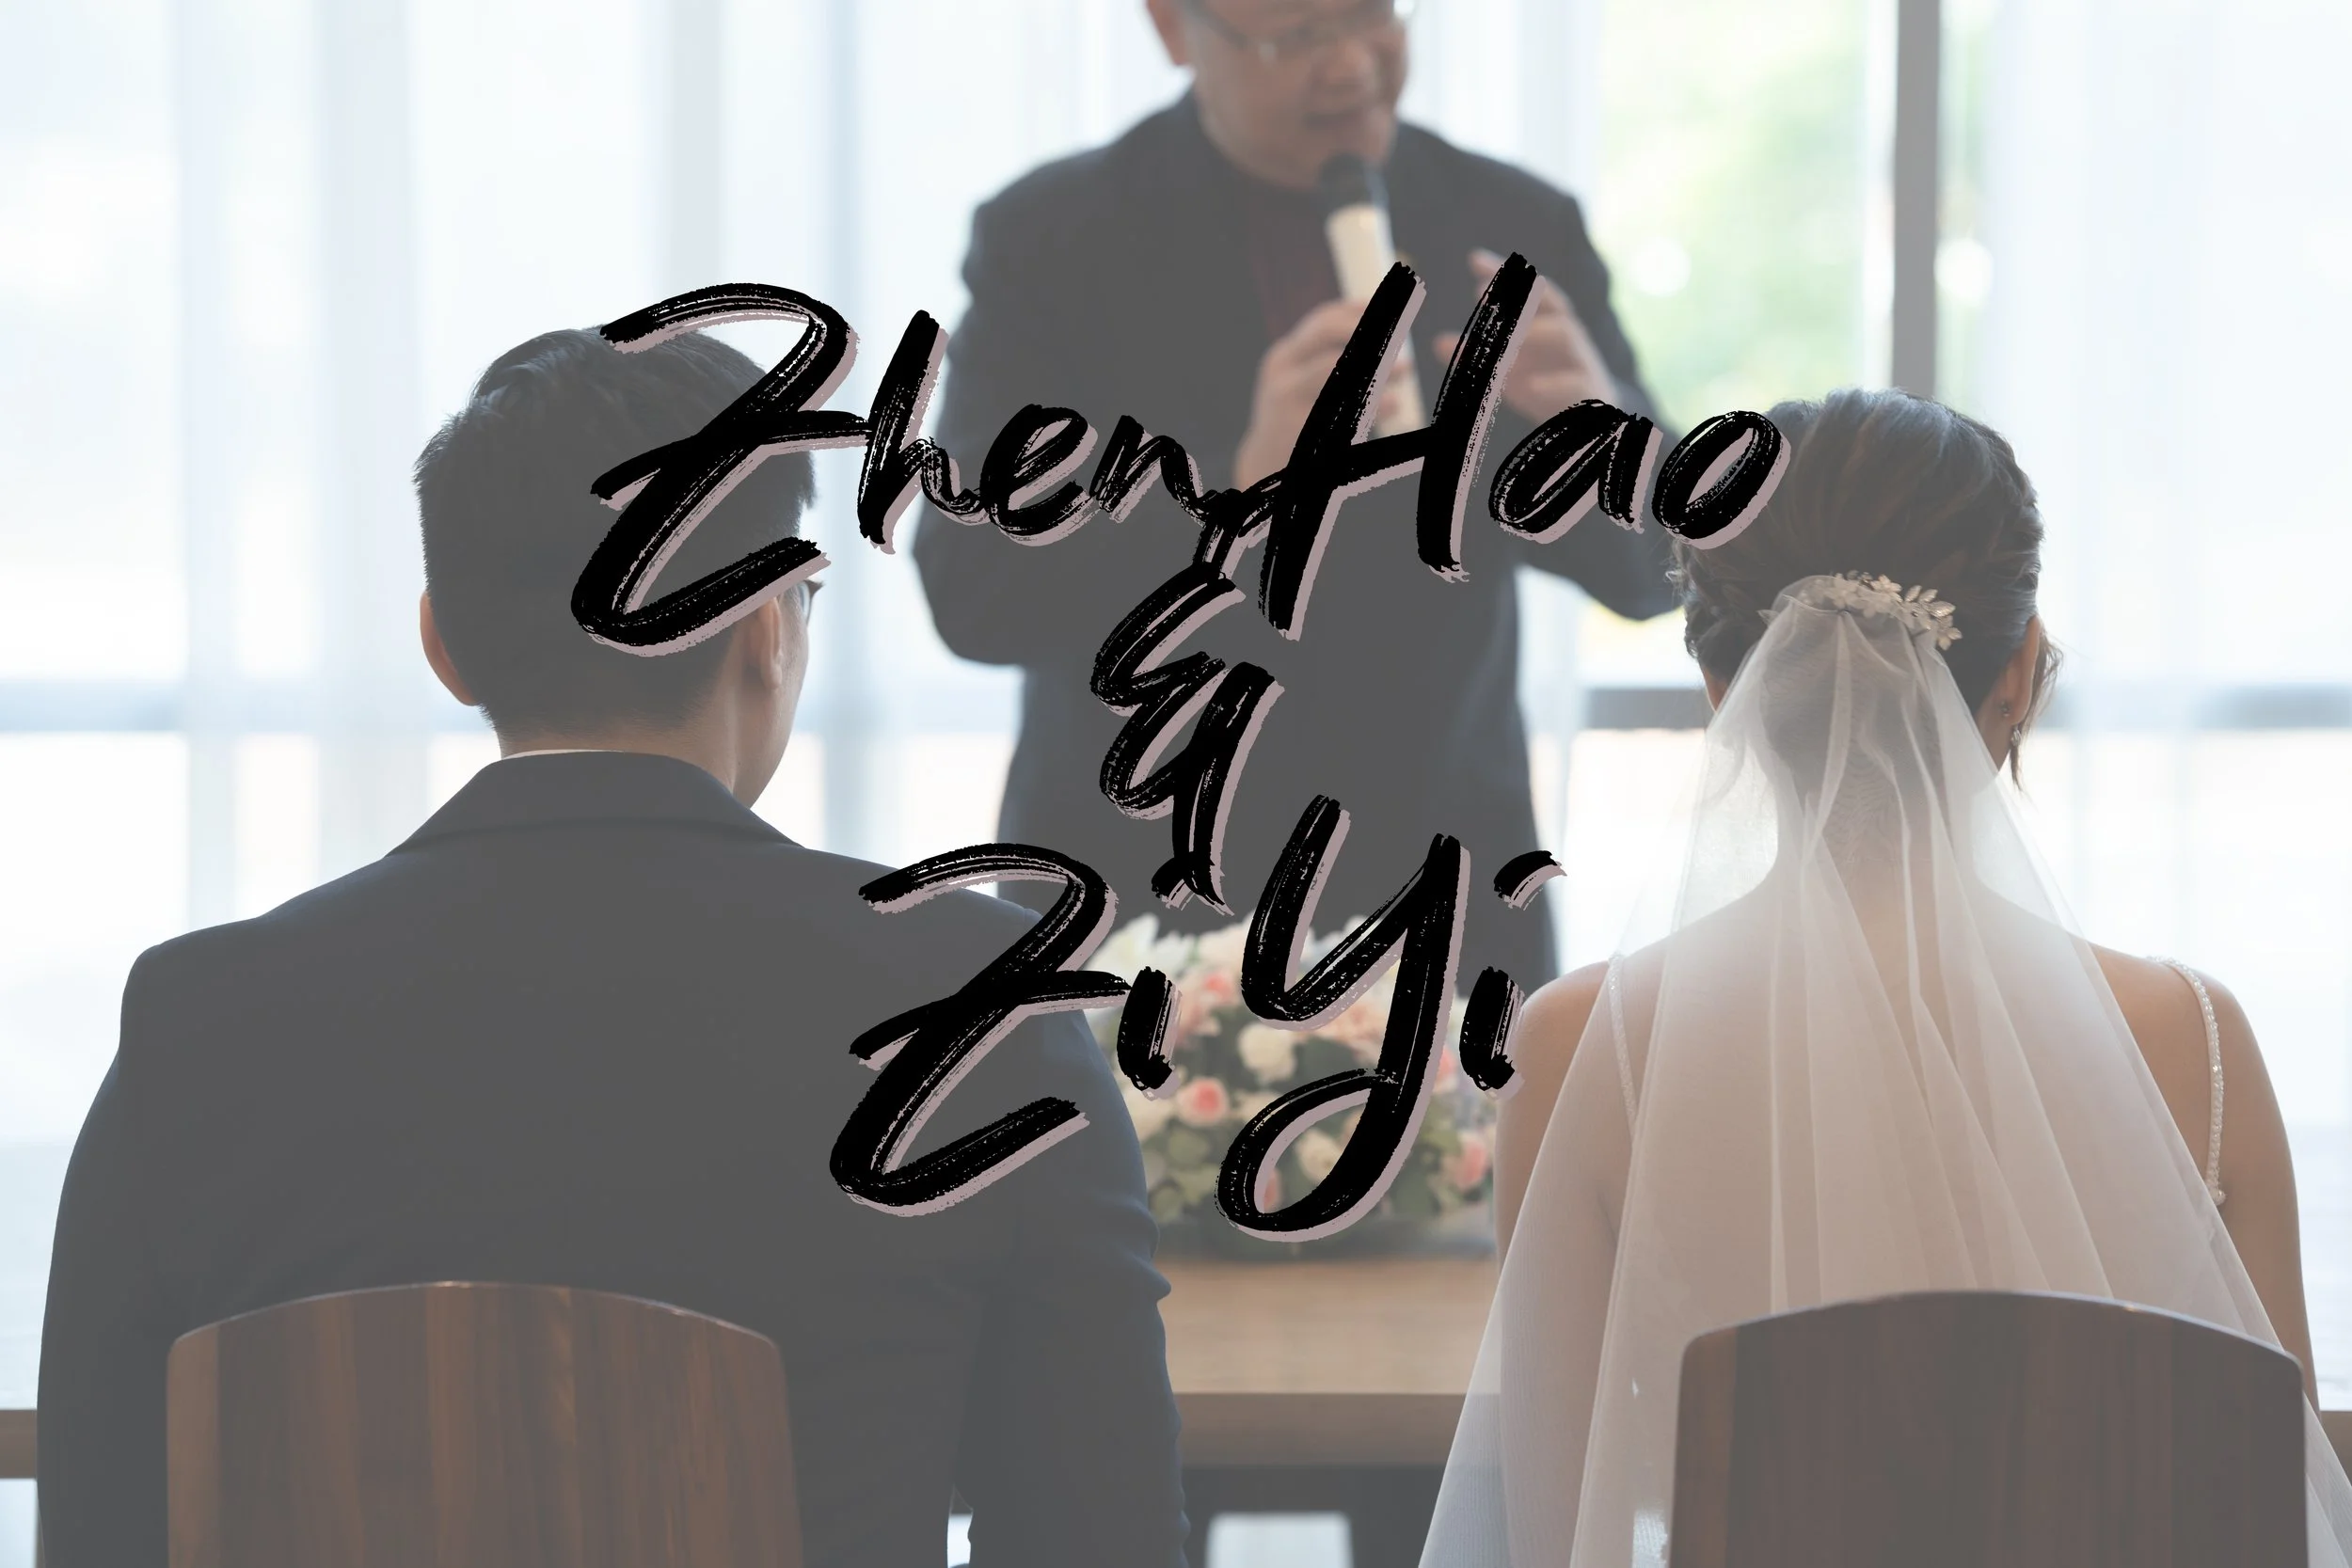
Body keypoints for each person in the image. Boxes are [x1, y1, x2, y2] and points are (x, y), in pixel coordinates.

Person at [37, 329, 1188, 1567]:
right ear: (763, 628)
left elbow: (99, 1526)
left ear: (444, 644)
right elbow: (1100, 1534)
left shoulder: (198, 1022)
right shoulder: (984, 1010)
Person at [1418, 388, 2352, 1564]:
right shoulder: (2196, 1038)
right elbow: (2272, 1512)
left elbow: (1554, 1529)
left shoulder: (1579, 1046)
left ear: (1726, 694)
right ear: (2016, 675)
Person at [913, 0, 1678, 1005]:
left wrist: (1598, 437)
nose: (1353, 67)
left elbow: (1659, 569)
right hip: (1144, 894)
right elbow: (971, 587)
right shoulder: (1053, 239)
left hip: (1438, 898)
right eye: (1300, 37)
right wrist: (1229, 479)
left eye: (1373, 18)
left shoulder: (1507, 220)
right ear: (1173, 29)